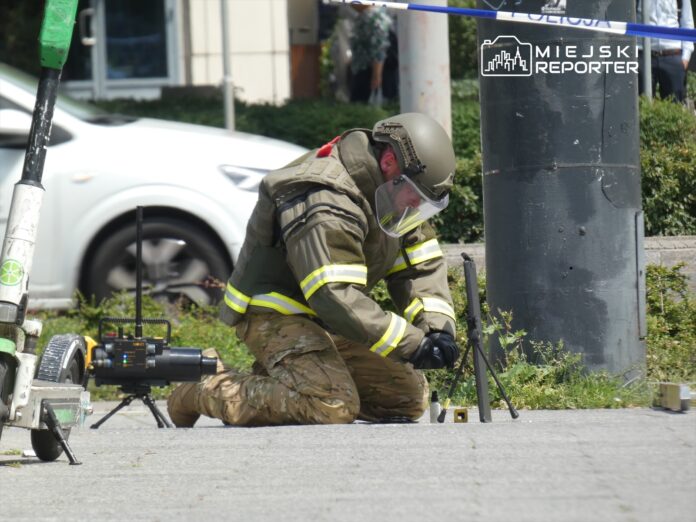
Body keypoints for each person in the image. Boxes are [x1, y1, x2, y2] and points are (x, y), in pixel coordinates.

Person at [167, 113, 461, 427]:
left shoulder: (392, 196)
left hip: (331, 319)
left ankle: (288, 380)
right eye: (415, 194)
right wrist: (413, 344)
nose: (416, 205)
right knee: (331, 406)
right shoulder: (327, 197)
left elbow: (419, 266)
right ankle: (204, 384)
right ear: (389, 162)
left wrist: (436, 330)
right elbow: (334, 295)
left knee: (406, 398)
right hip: (274, 314)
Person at [638, 0, 694, 102]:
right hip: (643, 55)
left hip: (673, 56)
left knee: (675, 106)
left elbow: (687, 23)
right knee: (641, 104)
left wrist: (685, 57)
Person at [349, 6, 394, 105]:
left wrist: (376, 75)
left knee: (364, 105)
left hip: (370, 72)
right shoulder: (363, 16)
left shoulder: (375, 17)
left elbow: (379, 47)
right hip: (362, 70)